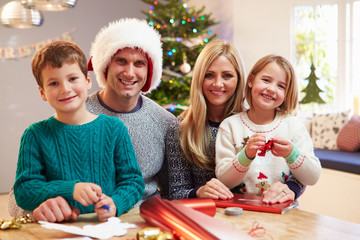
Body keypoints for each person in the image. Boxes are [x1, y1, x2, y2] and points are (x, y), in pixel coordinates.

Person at [9, 18, 175, 222]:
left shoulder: (156, 123)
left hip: (124, 222)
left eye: (139, 63)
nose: (65, 89)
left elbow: (154, 186)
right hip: (63, 225)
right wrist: (41, 208)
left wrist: (116, 204)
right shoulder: (49, 125)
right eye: (121, 61)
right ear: (103, 66)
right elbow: (22, 192)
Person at [166, 41, 306, 202]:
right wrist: (198, 192)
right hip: (205, 217)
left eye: (227, 76)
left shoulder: (255, 121)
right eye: (209, 75)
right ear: (199, 78)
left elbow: (300, 171)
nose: (218, 83)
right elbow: (175, 193)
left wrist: (291, 189)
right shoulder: (181, 129)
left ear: (240, 79)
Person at [215, 54, 321, 203]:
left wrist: (292, 154)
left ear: (286, 94)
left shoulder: (293, 126)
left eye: (281, 86)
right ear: (251, 81)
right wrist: (246, 155)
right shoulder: (230, 126)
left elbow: (313, 177)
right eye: (266, 80)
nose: (271, 89)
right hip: (239, 210)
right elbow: (224, 180)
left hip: (282, 210)